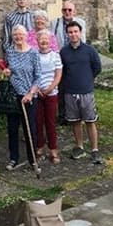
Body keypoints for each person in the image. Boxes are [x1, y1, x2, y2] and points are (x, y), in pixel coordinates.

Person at [60, 21, 102, 164]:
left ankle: (95, 149)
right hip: (70, 91)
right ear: (67, 34)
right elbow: (62, 71)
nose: (73, 34)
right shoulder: (64, 52)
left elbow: (97, 67)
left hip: (86, 91)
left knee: (90, 121)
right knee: (75, 121)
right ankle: (79, 146)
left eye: (75, 31)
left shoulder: (90, 51)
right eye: (70, 32)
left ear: (80, 32)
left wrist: (87, 79)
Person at [0, 24, 41, 171]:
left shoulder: (33, 53)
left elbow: (38, 76)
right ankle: (13, 158)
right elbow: (8, 69)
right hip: (13, 95)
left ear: (26, 36)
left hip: (28, 96)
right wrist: (6, 71)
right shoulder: (10, 52)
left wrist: (30, 94)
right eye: (15, 35)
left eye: (20, 34)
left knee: (30, 129)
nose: (18, 37)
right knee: (12, 128)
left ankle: (32, 159)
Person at [35, 30, 63, 164]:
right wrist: (37, 89)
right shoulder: (34, 55)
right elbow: (32, 73)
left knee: (51, 122)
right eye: (41, 39)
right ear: (37, 41)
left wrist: (49, 89)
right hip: (37, 93)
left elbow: (58, 75)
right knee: (38, 121)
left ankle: (53, 149)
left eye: (46, 39)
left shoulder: (55, 56)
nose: (44, 41)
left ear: (50, 41)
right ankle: (40, 147)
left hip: (51, 93)